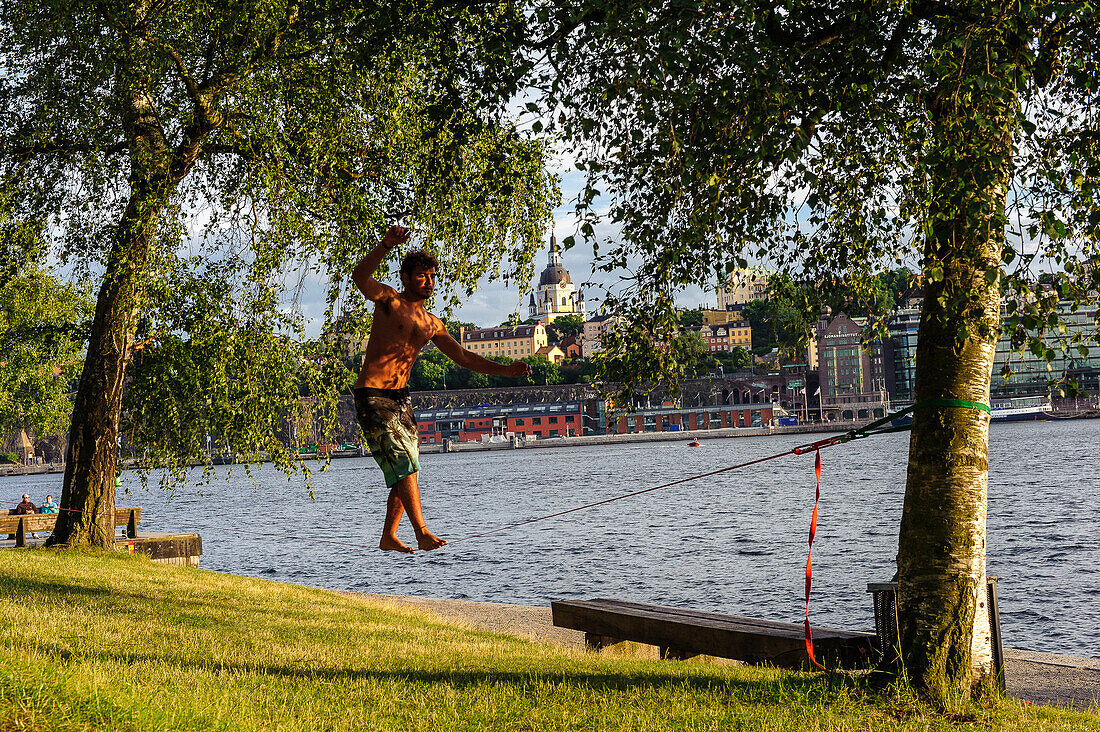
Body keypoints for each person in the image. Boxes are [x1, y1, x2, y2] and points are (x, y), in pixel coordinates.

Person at [352, 225, 532, 554]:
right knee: (405, 465)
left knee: (409, 468)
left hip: (400, 400)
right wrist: (384, 245)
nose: (429, 282)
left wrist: (505, 371)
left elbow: (463, 357)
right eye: (422, 275)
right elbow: (360, 277)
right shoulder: (389, 301)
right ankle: (421, 531)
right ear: (406, 277)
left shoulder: (432, 323)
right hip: (373, 395)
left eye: (433, 276)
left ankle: (388, 535)